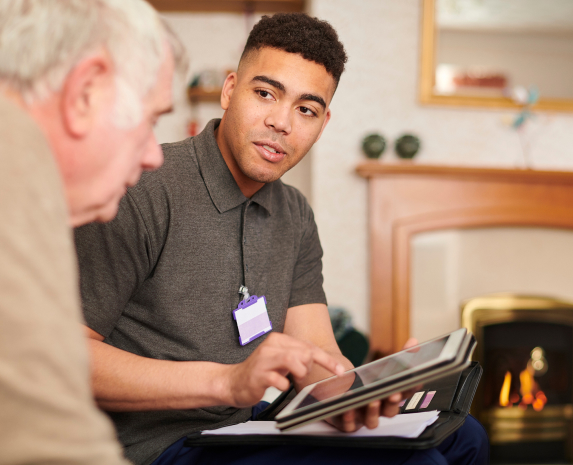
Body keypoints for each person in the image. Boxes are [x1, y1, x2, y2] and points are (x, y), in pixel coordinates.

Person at [74, 13, 489, 465]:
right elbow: (66, 355)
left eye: (305, 109)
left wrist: (370, 392)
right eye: (266, 93)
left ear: (323, 122)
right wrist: (227, 383)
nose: (282, 122)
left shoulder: (294, 214)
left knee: (464, 435)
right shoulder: (144, 188)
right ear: (230, 90)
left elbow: (318, 358)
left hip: (242, 428)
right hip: (158, 446)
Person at [0, 0, 186, 463]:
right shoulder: (16, 166)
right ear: (85, 91)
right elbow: (52, 443)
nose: (153, 155)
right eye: (150, 120)